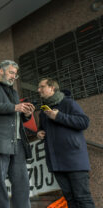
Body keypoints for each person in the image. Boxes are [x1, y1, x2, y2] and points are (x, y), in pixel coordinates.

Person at [0, 60, 35, 208]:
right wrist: (15, 107)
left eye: (15, 75)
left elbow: (15, 115)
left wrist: (27, 115)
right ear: (1, 71)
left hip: (17, 143)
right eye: (11, 72)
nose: (13, 77)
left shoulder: (14, 92)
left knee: (22, 182)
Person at [37, 78, 95, 208]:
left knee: (83, 198)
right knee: (70, 199)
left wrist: (59, 116)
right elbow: (42, 128)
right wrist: (40, 133)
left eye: (41, 86)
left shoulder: (68, 103)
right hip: (56, 162)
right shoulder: (43, 111)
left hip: (74, 160)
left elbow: (84, 122)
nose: (38, 90)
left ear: (52, 88)